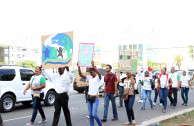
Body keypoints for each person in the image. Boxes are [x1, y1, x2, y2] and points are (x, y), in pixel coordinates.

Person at [78, 61, 103, 126]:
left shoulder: (98, 78)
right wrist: (78, 67)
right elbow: (81, 75)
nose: (91, 74)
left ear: (95, 71)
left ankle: (100, 124)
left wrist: (93, 66)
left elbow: (99, 74)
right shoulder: (90, 78)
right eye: (90, 72)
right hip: (89, 97)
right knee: (90, 114)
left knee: (94, 114)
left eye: (92, 72)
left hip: (96, 98)